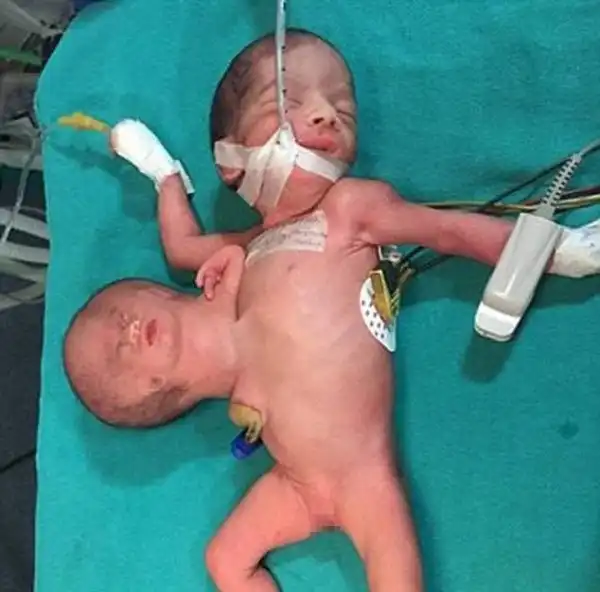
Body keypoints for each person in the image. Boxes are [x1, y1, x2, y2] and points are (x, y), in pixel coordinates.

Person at [65, 29, 600, 592]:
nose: (325, 113)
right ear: (231, 163)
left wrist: (563, 253)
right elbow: (180, 248)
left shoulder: (345, 212)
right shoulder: (247, 252)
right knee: (225, 560)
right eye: (288, 103)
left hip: (361, 475)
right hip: (294, 479)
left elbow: (450, 231)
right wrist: (163, 173)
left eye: (342, 106)